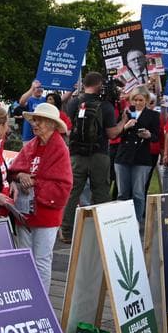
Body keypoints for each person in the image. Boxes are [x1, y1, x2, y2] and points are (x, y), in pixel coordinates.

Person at [7, 102, 72, 287]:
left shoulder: (60, 150)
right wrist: (21, 175)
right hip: (25, 212)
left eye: (40, 121)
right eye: (35, 120)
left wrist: (35, 183)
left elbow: (64, 184)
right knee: (24, 259)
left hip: (46, 213)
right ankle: (27, 295)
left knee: (41, 259)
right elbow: (14, 170)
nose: (35, 124)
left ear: (52, 124)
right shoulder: (31, 145)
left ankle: (41, 302)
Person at [60, 72, 119, 243]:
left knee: (72, 193)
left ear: (85, 84)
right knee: (101, 192)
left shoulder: (73, 103)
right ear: (99, 84)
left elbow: (68, 130)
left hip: (77, 155)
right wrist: (123, 123)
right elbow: (112, 133)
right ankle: (104, 231)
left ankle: (66, 231)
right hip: (99, 154)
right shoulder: (106, 106)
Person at [112, 85, 161, 227]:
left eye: (141, 100)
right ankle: (120, 223)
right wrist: (125, 126)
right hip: (123, 156)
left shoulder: (153, 115)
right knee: (122, 193)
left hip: (141, 158)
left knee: (138, 193)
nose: (138, 103)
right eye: (135, 100)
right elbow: (114, 133)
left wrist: (149, 135)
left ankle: (136, 222)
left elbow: (157, 136)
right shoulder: (124, 113)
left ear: (146, 100)